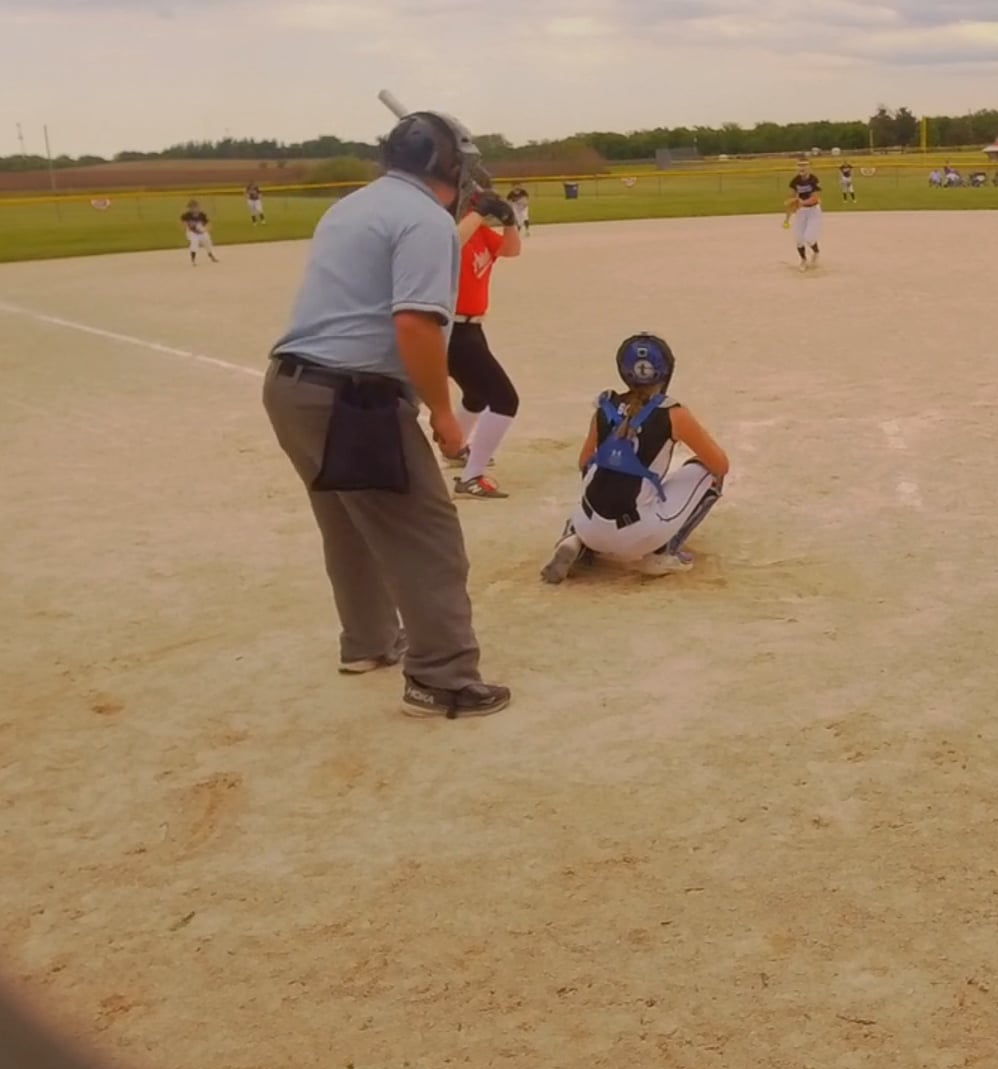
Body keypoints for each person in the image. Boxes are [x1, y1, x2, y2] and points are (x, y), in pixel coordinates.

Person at [261, 109, 513, 719]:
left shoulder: (352, 205)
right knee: (426, 536)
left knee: (349, 524)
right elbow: (416, 323)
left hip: (292, 388)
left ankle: (368, 642)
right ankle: (441, 678)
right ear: (449, 166)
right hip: (356, 399)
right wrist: (444, 412)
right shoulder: (424, 220)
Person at [539, 333, 729, 584]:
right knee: (709, 471)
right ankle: (661, 552)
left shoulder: (605, 405)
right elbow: (720, 464)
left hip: (588, 523)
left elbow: (584, 462)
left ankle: (575, 537)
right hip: (636, 533)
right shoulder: (673, 413)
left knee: (598, 475)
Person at [443, 192, 524, 500]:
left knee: (476, 395)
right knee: (505, 399)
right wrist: (476, 212)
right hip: (452, 329)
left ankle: (455, 450)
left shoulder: (478, 232)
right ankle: (472, 476)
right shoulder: (447, 231)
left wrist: (509, 222)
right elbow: (449, 247)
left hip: (473, 327)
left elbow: (511, 250)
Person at [786, 160, 824, 270]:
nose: (801, 168)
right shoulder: (795, 181)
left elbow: (815, 198)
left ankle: (816, 252)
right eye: (799, 165)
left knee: (809, 238)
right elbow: (791, 199)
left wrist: (802, 202)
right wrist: (787, 218)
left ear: (809, 167)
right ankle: (803, 260)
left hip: (813, 211)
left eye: (804, 165)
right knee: (798, 238)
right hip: (801, 211)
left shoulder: (813, 179)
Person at [180, 200, 218, 265]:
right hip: (192, 232)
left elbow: (208, 223)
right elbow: (184, 223)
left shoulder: (202, 215)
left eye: (194, 207)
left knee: (208, 242)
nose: (193, 209)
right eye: (191, 207)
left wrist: (205, 229)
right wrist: (186, 227)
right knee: (194, 242)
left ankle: (211, 256)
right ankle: (193, 260)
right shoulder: (186, 215)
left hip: (201, 231)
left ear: (198, 207)